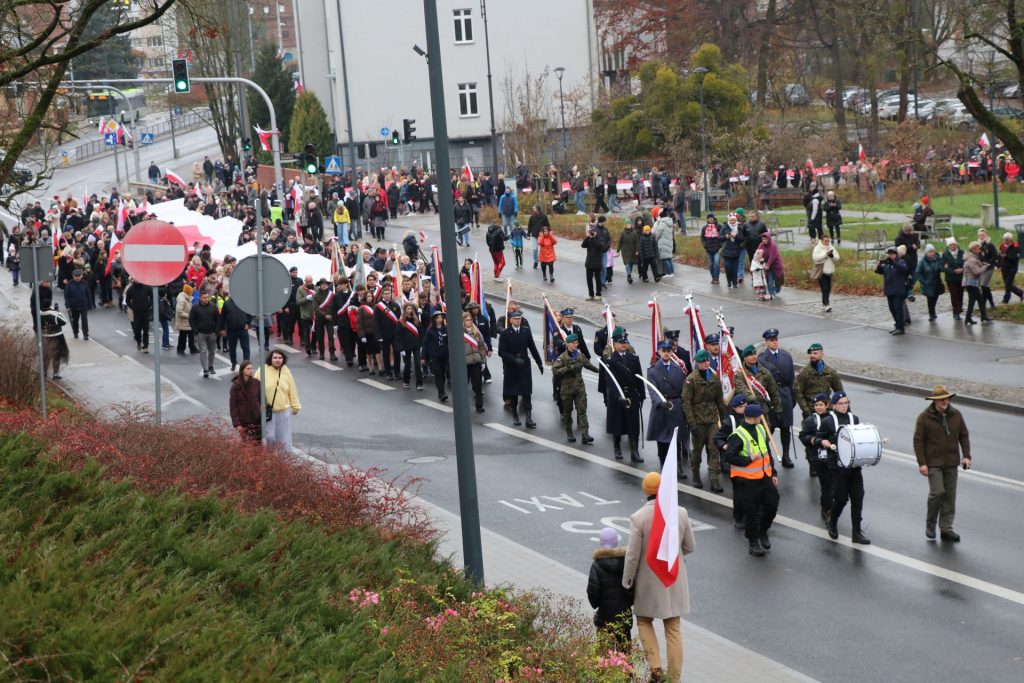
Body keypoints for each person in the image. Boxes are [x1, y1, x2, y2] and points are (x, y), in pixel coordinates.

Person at [622, 472, 695, 683]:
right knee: (673, 628)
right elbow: (690, 546)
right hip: (673, 578)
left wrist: (627, 580)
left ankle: (655, 669)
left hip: (648, 580)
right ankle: (675, 679)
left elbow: (633, 555)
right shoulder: (680, 512)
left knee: (644, 621)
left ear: (645, 490)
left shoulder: (638, 518)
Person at [913, 385, 972, 542]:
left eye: (947, 398)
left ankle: (946, 529)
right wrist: (922, 463)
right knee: (938, 492)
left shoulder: (956, 415)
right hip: (933, 463)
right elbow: (918, 441)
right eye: (941, 399)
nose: (945, 401)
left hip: (951, 463)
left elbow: (964, 435)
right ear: (935, 401)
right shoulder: (924, 417)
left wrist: (966, 456)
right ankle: (930, 525)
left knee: (950, 496)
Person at [723, 403, 780, 556]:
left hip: (764, 476)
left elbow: (766, 453)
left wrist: (773, 473)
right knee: (751, 512)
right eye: (760, 416)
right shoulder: (738, 435)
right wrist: (748, 459)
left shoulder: (760, 429)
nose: (762, 418)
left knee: (772, 505)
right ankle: (753, 542)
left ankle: (763, 531)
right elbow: (729, 457)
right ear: (753, 417)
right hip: (746, 480)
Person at [817, 391, 871, 544]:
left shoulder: (854, 419)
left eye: (846, 403)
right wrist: (823, 442)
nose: (844, 406)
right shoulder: (828, 421)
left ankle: (856, 532)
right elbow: (820, 436)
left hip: (854, 467)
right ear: (834, 405)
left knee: (858, 497)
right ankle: (832, 521)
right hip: (837, 467)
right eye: (841, 403)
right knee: (841, 499)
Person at [683, 349, 727, 491]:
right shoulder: (691, 380)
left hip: (712, 419)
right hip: (698, 420)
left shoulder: (714, 379)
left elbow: (720, 401)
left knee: (714, 449)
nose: (707, 363)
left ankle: (714, 478)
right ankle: (695, 474)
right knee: (697, 450)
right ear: (698, 363)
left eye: (708, 360)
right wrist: (692, 423)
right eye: (703, 361)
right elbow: (686, 403)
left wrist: (725, 420)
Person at [587, 527, 632, 650]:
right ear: (616, 542)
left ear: (601, 543)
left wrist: (596, 604)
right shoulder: (627, 562)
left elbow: (593, 592)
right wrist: (628, 603)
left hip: (604, 617)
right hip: (624, 618)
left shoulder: (597, 565)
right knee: (625, 653)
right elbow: (632, 586)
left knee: (604, 654)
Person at [603, 330, 645, 462]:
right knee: (617, 423)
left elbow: (639, 378)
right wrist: (618, 397)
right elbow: (610, 382)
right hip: (618, 397)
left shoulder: (633, 358)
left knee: (633, 425)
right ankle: (617, 448)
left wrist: (641, 395)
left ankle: (634, 451)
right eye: (620, 343)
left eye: (624, 342)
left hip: (631, 395)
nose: (623, 345)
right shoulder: (610, 360)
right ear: (614, 344)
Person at [645, 341, 688, 469]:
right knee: (662, 438)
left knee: (676, 439)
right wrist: (660, 402)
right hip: (661, 407)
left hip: (675, 406)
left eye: (668, 351)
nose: (666, 353)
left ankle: (678, 465)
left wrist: (682, 404)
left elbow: (683, 389)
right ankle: (663, 462)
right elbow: (652, 391)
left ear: (671, 352)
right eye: (663, 351)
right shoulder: (653, 371)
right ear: (659, 352)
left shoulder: (678, 369)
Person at [498, 310, 543, 427]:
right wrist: (513, 359)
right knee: (513, 393)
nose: (518, 320)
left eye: (519, 318)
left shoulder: (526, 331)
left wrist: (539, 363)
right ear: (510, 320)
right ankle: (515, 415)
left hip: (524, 366)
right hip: (512, 367)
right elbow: (501, 352)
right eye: (516, 319)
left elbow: (532, 347)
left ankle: (528, 418)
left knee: (526, 392)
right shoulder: (505, 333)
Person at [758, 329, 796, 469]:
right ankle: (768, 457)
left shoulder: (786, 356)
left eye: (776, 339)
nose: (774, 342)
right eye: (771, 340)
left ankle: (786, 456)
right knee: (769, 428)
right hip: (770, 396)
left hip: (785, 395)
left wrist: (793, 397)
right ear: (766, 342)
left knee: (786, 428)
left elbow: (792, 378)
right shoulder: (761, 359)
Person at [552, 333, 599, 443]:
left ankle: (585, 434)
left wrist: (600, 371)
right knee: (568, 412)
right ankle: (569, 433)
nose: (575, 345)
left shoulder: (580, 356)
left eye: (576, 343)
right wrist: (569, 368)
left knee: (582, 410)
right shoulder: (562, 358)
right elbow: (555, 371)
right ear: (568, 344)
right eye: (573, 343)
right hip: (567, 390)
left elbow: (589, 365)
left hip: (579, 388)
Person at [799, 394, 834, 518]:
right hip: (818, 457)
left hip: (833, 457)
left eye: (821, 405)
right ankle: (826, 510)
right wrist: (814, 440)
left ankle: (831, 505)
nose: (818, 407)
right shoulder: (810, 420)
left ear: (827, 405)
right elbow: (803, 436)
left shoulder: (832, 418)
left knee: (834, 485)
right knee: (826, 485)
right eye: (816, 405)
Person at [259, 350, 301, 450]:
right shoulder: (263, 370)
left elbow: (292, 388)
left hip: (283, 411)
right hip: (268, 412)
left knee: (284, 439)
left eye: (280, 358)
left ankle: (283, 462)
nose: (277, 360)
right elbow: (255, 387)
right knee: (269, 437)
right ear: (270, 359)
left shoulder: (286, 371)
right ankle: (269, 459)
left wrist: (295, 406)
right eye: (275, 358)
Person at [795, 343, 844, 420]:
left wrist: (842, 409)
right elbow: (798, 392)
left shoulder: (830, 372)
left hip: (827, 411)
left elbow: (839, 392)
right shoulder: (804, 372)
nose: (812, 355)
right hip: (811, 411)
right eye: (810, 353)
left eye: (815, 353)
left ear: (822, 354)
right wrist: (806, 410)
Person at [876, 246, 909, 334]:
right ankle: (897, 324)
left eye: (892, 254)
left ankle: (900, 328)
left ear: (896, 254)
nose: (891, 255)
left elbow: (903, 268)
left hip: (898, 290)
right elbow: (880, 271)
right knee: (892, 309)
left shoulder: (901, 261)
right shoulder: (887, 263)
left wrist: (893, 263)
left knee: (898, 308)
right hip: (889, 289)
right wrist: (879, 266)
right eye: (889, 254)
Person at [189, 289, 220, 378]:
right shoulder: (195, 308)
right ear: (200, 298)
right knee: (203, 351)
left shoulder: (213, 306)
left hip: (212, 333)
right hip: (201, 333)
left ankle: (210, 366)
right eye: (204, 298)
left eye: (207, 297)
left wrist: (217, 331)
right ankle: (205, 369)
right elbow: (192, 320)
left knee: (212, 351)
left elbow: (218, 319)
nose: (206, 299)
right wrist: (196, 331)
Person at [229, 360, 262, 441]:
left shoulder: (256, 383)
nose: (251, 370)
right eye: (248, 369)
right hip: (244, 420)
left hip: (257, 419)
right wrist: (237, 424)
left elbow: (262, 399)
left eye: (251, 368)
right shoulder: (235, 386)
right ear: (242, 370)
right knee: (247, 444)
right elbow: (233, 406)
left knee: (258, 442)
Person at [420, 310, 450, 401]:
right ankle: (441, 393)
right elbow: (425, 343)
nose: (439, 319)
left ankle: (442, 390)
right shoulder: (430, 330)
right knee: (438, 373)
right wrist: (423, 357)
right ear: (434, 319)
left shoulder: (446, 329)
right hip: (434, 355)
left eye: (441, 317)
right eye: (437, 318)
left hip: (444, 355)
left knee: (443, 373)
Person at [963, 240, 993, 325]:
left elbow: (976, 265)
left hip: (970, 283)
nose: (980, 250)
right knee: (978, 299)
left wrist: (981, 264)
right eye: (978, 249)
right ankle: (982, 316)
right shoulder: (971, 259)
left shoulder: (971, 257)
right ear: (974, 249)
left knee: (974, 300)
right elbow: (976, 272)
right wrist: (985, 266)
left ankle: (969, 318)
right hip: (971, 283)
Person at [39, 299, 69, 379]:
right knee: (56, 356)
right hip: (56, 337)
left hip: (44, 337)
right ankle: (56, 374)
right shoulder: (54, 315)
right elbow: (64, 321)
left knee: (46, 356)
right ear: (49, 306)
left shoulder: (39, 315)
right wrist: (57, 312)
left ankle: (44, 373)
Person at [582, 217, 611, 300]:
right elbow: (583, 245)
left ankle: (598, 294)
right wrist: (588, 237)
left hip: (597, 262)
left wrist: (594, 237)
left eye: (593, 232)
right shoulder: (589, 239)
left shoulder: (598, 239)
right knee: (589, 279)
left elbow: (600, 246)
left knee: (597, 279)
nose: (592, 233)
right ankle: (591, 294)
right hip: (589, 262)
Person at [916, 244, 944, 321]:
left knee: (935, 298)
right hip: (928, 284)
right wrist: (923, 281)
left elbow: (942, 269)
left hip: (937, 283)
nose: (931, 253)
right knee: (930, 299)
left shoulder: (938, 259)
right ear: (926, 253)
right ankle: (931, 313)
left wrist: (943, 265)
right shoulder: (922, 261)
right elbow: (918, 272)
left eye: (932, 251)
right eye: (929, 252)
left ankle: (933, 311)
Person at [812, 235, 839, 312]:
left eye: (828, 241)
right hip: (821, 271)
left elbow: (837, 258)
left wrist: (832, 256)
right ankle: (827, 304)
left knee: (829, 288)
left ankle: (824, 303)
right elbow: (815, 258)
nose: (827, 242)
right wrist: (825, 254)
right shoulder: (817, 248)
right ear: (822, 240)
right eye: (826, 241)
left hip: (829, 270)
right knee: (824, 288)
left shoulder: (831, 247)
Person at [124, 279, 152, 352]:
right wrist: (133, 307)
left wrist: (148, 305)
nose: (138, 280)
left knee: (146, 330)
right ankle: (139, 342)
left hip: (145, 312)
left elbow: (152, 297)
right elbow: (127, 300)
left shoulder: (147, 287)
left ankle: (145, 346)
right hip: (136, 313)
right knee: (137, 331)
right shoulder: (131, 289)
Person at [940, 238, 965, 320]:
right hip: (951, 279)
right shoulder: (945, 254)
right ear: (948, 246)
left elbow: (965, 263)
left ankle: (959, 308)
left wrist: (962, 269)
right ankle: (956, 312)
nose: (952, 246)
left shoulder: (962, 252)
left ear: (956, 245)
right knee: (954, 295)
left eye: (954, 244)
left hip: (961, 277)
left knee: (960, 294)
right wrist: (953, 271)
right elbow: (943, 268)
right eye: (950, 245)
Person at [63, 268, 91, 340]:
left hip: (83, 304)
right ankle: (75, 332)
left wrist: (89, 304)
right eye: (76, 276)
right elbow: (66, 296)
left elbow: (88, 294)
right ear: (73, 276)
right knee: (75, 320)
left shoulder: (85, 283)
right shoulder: (69, 284)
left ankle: (86, 334)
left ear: (81, 276)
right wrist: (67, 306)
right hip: (73, 305)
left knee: (84, 319)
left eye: (79, 276)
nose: (77, 277)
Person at [999, 231, 1023, 303]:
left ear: (1010, 239)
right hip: (1004, 268)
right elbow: (1000, 256)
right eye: (1004, 239)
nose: (1005, 241)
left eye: (1007, 239)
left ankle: (1020, 293)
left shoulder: (1016, 247)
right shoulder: (1002, 245)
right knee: (1007, 285)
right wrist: (998, 264)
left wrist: (1006, 256)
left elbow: (1016, 258)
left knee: (1008, 284)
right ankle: (1007, 299)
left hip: (1012, 268)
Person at [175, 284, 199, 354]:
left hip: (187, 321)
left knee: (189, 335)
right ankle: (181, 349)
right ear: (188, 292)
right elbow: (179, 311)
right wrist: (189, 316)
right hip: (184, 321)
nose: (192, 293)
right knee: (183, 336)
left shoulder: (185, 297)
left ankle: (189, 348)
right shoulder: (182, 299)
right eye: (191, 291)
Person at [700, 214, 723, 284]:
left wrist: (720, 245)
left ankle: (717, 278)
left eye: (711, 218)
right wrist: (705, 245)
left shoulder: (719, 226)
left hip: (717, 249)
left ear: (713, 218)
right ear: (707, 219)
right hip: (708, 249)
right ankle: (713, 277)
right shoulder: (704, 228)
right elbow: (702, 238)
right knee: (710, 264)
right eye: (708, 218)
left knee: (716, 263)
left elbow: (722, 236)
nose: (710, 219)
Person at [653, 209, 675, 278]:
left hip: (663, 242)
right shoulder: (670, 222)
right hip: (669, 242)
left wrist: (655, 239)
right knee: (669, 258)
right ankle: (672, 272)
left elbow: (658, 233)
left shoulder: (662, 223)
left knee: (665, 258)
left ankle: (669, 273)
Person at [617, 219, 639, 284]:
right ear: (625, 225)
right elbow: (620, 242)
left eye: (629, 224)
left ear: (631, 225)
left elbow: (637, 242)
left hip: (632, 250)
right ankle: (629, 276)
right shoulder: (623, 233)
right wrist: (618, 251)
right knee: (627, 263)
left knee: (631, 263)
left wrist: (637, 250)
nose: (628, 225)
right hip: (625, 251)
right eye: (627, 224)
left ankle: (629, 275)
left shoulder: (634, 233)